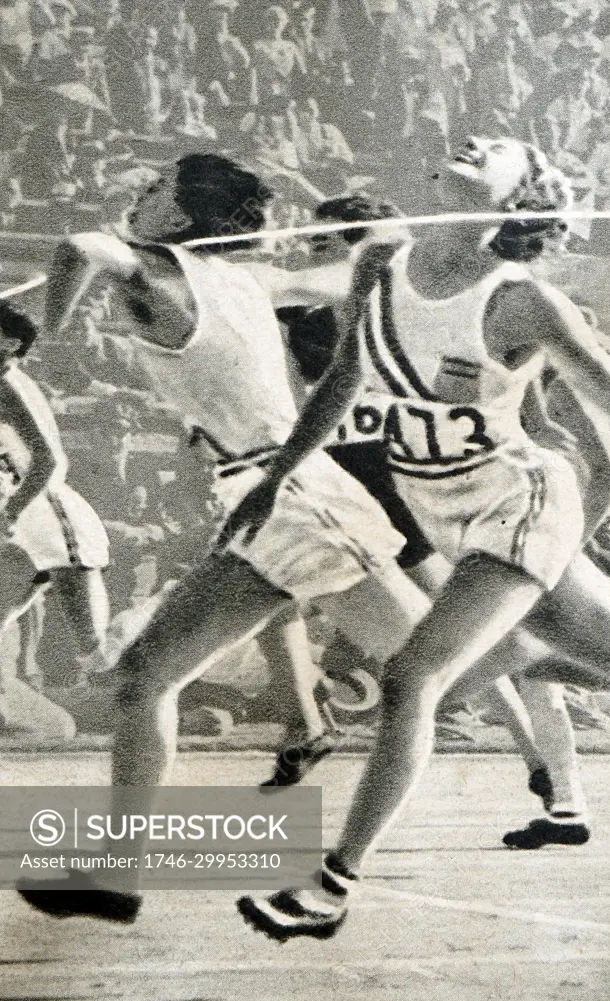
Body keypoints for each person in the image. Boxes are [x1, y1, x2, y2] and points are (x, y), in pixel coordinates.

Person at [234, 136, 610, 940]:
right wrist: (276, 477)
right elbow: (340, 379)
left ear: (518, 199)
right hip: (434, 499)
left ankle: (330, 886)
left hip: (520, 499)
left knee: (412, 676)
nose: (473, 141)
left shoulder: (521, 300)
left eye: (498, 147)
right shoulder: (379, 265)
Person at [16, 153, 432, 922]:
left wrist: (38, 330)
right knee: (437, 661)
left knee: (450, 661)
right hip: (281, 495)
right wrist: (385, 244)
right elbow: (349, 276)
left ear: (180, 217)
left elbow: (82, 247)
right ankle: (116, 876)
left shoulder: (152, 272)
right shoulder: (252, 282)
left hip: (288, 499)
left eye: (153, 192)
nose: (137, 200)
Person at [0, 299, 110, 735]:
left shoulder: (8, 384)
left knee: (93, 646)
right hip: (20, 520)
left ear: (8, 343)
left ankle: (153, 707)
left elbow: (46, 459)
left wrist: (10, 511)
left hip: (47, 514)